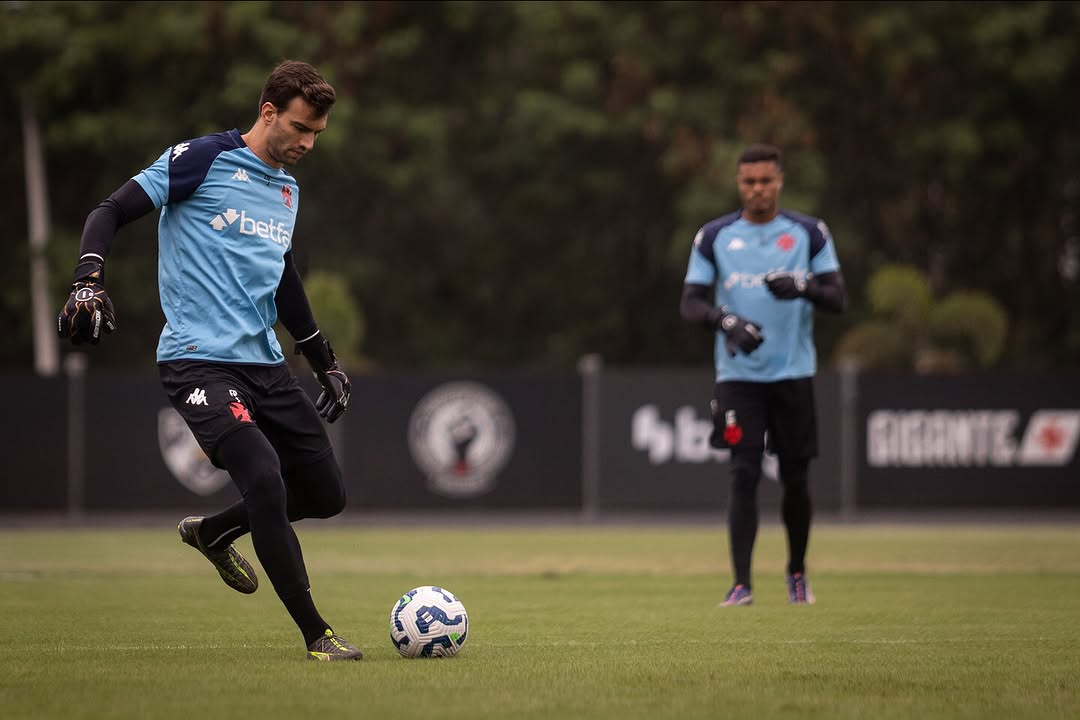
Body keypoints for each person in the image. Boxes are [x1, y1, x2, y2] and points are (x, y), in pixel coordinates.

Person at [57, 60, 362, 661]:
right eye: (300, 128)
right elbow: (108, 211)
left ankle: (215, 531)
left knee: (326, 495)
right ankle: (317, 635)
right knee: (265, 478)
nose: (307, 143)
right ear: (268, 112)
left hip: (266, 366)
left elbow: (283, 278)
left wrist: (322, 358)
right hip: (197, 362)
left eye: (317, 134)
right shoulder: (201, 159)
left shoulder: (287, 190)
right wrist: (87, 278)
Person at [679, 143, 848, 607]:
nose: (757, 189)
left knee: (795, 477)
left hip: (793, 373)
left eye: (765, 181)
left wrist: (802, 286)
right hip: (738, 376)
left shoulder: (808, 232)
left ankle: (797, 574)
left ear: (779, 181)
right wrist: (725, 320)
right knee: (743, 472)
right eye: (749, 182)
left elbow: (838, 298)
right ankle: (742, 584)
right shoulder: (714, 236)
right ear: (739, 184)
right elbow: (690, 302)